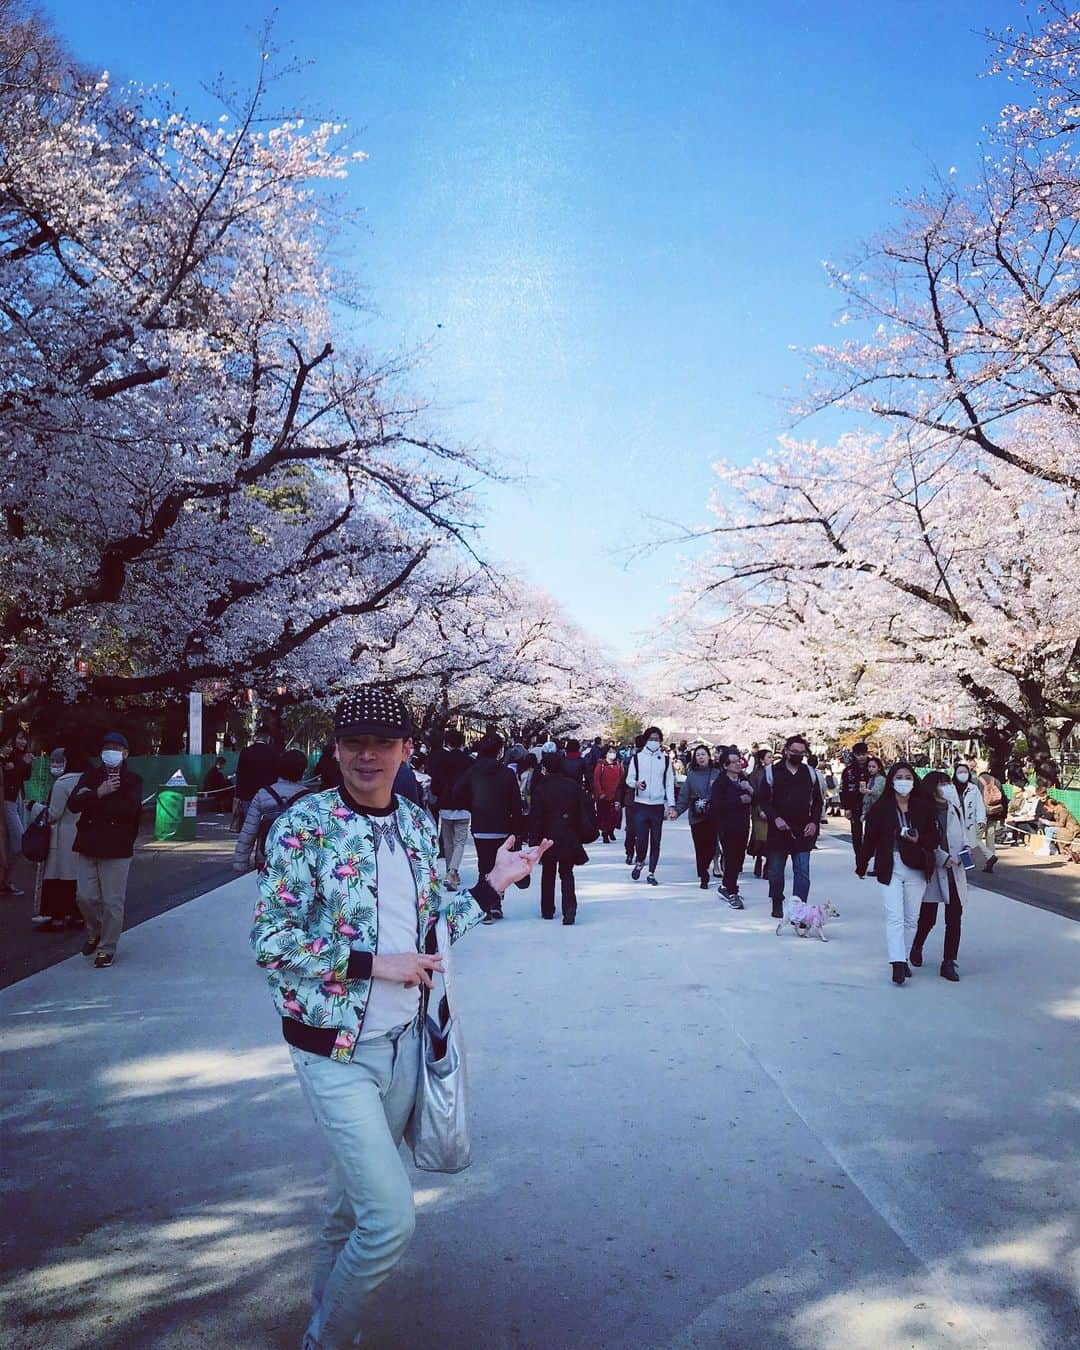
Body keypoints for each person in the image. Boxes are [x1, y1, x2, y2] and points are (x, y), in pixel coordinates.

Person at [251, 686, 550, 1350]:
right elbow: (270, 942)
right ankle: (326, 1340)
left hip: (405, 1046)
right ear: (334, 749)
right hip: (333, 1050)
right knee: (389, 1221)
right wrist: (371, 963)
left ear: (405, 751)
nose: (367, 756)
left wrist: (495, 882)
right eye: (354, 742)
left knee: (348, 1209)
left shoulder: (417, 824)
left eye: (382, 743)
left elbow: (437, 928)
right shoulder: (304, 826)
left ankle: (324, 1314)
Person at [68, 732, 143, 968]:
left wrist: (96, 798)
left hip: (117, 846)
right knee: (85, 896)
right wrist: (98, 792)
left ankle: (107, 947)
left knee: (112, 902)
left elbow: (129, 809)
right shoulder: (91, 776)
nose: (111, 752)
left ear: (125, 753)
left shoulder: (133, 780)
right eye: (107, 747)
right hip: (88, 842)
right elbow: (74, 803)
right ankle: (96, 930)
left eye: (117, 748)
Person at [864, 763, 939, 986]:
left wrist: (920, 840)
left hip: (916, 865)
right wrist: (862, 862)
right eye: (899, 777)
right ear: (891, 781)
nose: (903, 781)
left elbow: (934, 839)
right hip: (890, 865)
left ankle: (904, 956)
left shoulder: (924, 807)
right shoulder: (882, 807)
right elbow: (870, 836)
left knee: (910, 918)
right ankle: (896, 962)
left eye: (908, 777)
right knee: (894, 915)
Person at [910, 771, 968, 982]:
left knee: (954, 916)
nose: (947, 787)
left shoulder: (954, 808)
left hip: (955, 869)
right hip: (934, 870)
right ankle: (918, 944)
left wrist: (965, 854)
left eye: (948, 783)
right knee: (928, 917)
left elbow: (963, 835)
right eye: (942, 783)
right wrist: (941, 857)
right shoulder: (924, 810)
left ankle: (949, 961)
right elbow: (923, 840)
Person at [460, 732, 524, 923]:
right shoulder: (507, 773)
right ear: (499, 751)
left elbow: (457, 792)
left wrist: (472, 805)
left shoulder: (472, 771)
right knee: (499, 866)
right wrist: (517, 827)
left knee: (484, 866)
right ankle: (495, 904)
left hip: (481, 825)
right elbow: (515, 802)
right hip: (502, 825)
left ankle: (485, 909)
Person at [758, 735, 823, 921]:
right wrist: (775, 818)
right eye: (794, 752)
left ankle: (799, 907)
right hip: (779, 830)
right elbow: (763, 800)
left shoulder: (809, 773)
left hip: (803, 830)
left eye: (801, 753)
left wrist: (814, 822)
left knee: (802, 871)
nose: (797, 755)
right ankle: (777, 900)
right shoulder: (772, 772)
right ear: (786, 750)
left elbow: (818, 802)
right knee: (776, 870)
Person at [528, 751, 589, 923]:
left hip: (547, 837)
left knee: (548, 873)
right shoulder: (572, 786)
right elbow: (581, 811)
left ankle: (547, 909)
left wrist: (534, 841)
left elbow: (536, 817)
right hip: (568, 834)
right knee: (567, 872)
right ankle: (569, 907)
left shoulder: (541, 788)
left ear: (545, 768)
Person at [30, 746, 86, 931]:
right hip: (80, 834)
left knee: (57, 878)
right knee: (76, 878)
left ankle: (57, 917)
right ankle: (77, 915)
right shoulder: (87, 778)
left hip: (61, 838)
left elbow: (53, 814)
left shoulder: (62, 783)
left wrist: (34, 807)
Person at [233, 749, 314, 872]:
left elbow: (249, 831)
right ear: (303, 771)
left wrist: (240, 863)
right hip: (298, 863)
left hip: (265, 860)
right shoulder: (310, 799)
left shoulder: (263, 794)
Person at [627, 727, 677, 887]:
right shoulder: (637, 758)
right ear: (646, 739)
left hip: (657, 805)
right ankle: (640, 860)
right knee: (641, 839)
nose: (654, 742)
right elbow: (629, 778)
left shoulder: (665, 759)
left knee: (656, 840)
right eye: (651, 739)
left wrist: (671, 805)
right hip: (641, 804)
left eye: (657, 739)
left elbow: (669, 783)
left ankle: (651, 873)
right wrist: (635, 784)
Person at [709, 749, 754, 907]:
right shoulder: (720, 783)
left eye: (739, 760)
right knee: (731, 857)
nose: (738, 764)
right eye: (734, 761)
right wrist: (739, 800)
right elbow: (717, 804)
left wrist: (749, 789)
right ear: (725, 765)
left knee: (739, 858)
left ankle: (726, 886)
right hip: (726, 826)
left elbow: (757, 799)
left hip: (743, 824)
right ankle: (731, 890)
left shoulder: (744, 779)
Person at [430, 729, 472, 893]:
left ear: (447, 742)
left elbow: (435, 784)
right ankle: (452, 872)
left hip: (445, 805)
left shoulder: (442, 760)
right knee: (459, 842)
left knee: (447, 842)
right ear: (462, 743)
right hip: (463, 805)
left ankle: (451, 872)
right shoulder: (469, 761)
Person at [675, 746, 721, 890]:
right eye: (698, 755)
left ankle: (707, 866)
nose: (701, 757)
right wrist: (677, 810)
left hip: (713, 815)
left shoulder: (717, 773)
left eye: (703, 754)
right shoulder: (692, 775)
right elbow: (684, 796)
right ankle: (703, 875)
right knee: (700, 846)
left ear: (709, 756)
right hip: (697, 815)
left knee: (712, 845)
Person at [1, 724, 33, 894]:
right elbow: (8, 777)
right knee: (20, 841)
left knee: (13, 843)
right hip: (7, 801)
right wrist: (22, 763)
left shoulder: (20, 757)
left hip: (18, 799)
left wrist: (27, 763)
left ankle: (6, 880)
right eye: (20, 737)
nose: (23, 741)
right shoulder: (7, 757)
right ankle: (5, 879)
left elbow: (25, 777)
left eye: (24, 738)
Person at [953, 761, 994, 873]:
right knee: (956, 846)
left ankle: (965, 871)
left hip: (969, 823)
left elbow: (979, 805)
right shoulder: (951, 788)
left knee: (966, 846)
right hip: (954, 822)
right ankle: (960, 869)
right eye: (960, 772)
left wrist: (981, 819)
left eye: (965, 772)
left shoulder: (973, 788)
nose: (963, 774)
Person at [840, 742, 872, 877]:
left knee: (872, 835)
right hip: (854, 805)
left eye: (863, 754)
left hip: (871, 806)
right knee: (857, 836)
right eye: (858, 754)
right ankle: (860, 862)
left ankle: (868, 859)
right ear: (854, 754)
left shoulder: (873, 766)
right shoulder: (849, 771)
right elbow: (843, 790)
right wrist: (846, 807)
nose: (861, 757)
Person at [235, 726, 279, 821]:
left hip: (248, 795)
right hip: (268, 795)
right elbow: (277, 775)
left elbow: (240, 774)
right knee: (265, 825)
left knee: (249, 824)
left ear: (256, 737)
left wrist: (238, 795)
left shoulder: (245, 752)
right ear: (268, 738)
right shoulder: (273, 753)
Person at [619, 732, 647, 865]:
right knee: (640, 830)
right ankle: (636, 854)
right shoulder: (634, 760)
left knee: (631, 829)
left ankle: (631, 853)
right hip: (639, 799)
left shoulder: (630, 759)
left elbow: (622, 781)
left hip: (633, 799)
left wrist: (619, 800)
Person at [746, 749, 774, 879]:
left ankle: (768, 863)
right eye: (768, 757)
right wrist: (760, 809)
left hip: (773, 811)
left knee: (771, 838)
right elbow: (754, 794)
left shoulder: (775, 773)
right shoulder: (755, 775)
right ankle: (758, 858)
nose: (771, 760)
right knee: (760, 838)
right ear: (762, 760)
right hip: (758, 811)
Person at [858, 756, 887, 874]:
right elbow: (867, 798)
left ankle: (878, 867)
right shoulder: (871, 779)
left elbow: (877, 793)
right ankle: (875, 866)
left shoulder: (881, 779)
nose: (870, 769)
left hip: (879, 813)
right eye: (869, 766)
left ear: (879, 768)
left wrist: (867, 791)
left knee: (877, 841)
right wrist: (864, 812)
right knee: (872, 840)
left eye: (873, 766)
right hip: (871, 813)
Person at [976, 764, 1007, 867]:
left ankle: (989, 856)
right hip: (994, 813)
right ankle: (989, 863)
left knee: (976, 838)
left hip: (981, 814)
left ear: (978, 769)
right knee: (990, 838)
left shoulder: (975, 781)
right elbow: (1004, 799)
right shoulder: (996, 781)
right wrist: (1003, 817)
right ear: (988, 770)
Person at [593, 747, 623, 843]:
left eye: (613, 752)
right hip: (603, 795)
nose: (612, 754)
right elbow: (596, 780)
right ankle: (605, 833)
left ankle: (611, 830)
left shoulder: (618, 765)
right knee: (604, 815)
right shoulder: (601, 765)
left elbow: (622, 778)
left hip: (616, 795)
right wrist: (600, 792)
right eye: (610, 752)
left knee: (615, 815)